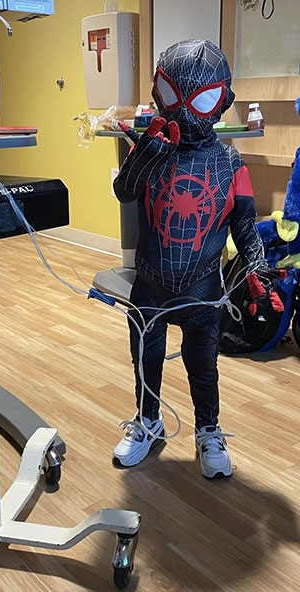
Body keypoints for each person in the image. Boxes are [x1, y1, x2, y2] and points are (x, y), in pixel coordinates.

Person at [112, 39, 270, 478]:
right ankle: (148, 421)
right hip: (149, 282)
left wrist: (255, 268)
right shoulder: (149, 150)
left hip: (204, 285)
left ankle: (208, 428)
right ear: (156, 92)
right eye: (169, 95)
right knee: (145, 355)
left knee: (203, 364)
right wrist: (145, 153)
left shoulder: (230, 162)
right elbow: (125, 191)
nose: (181, 110)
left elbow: (243, 220)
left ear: (222, 102)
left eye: (197, 99)